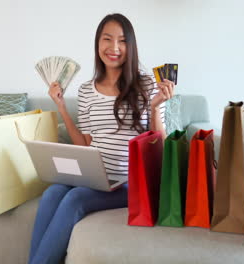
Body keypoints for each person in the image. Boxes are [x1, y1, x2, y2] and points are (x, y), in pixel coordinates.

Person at [28, 13, 175, 264]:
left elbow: (160, 145)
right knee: (52, 193)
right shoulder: (86, 90)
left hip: (130, 182)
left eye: (122, 41)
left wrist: (154, 108)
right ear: (98, 44)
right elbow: (84, 144)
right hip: (96, 179)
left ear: (131, 46)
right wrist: (62, 107)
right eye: (107, 39)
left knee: (75, 199)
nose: (114, 48)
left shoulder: (148, 85)